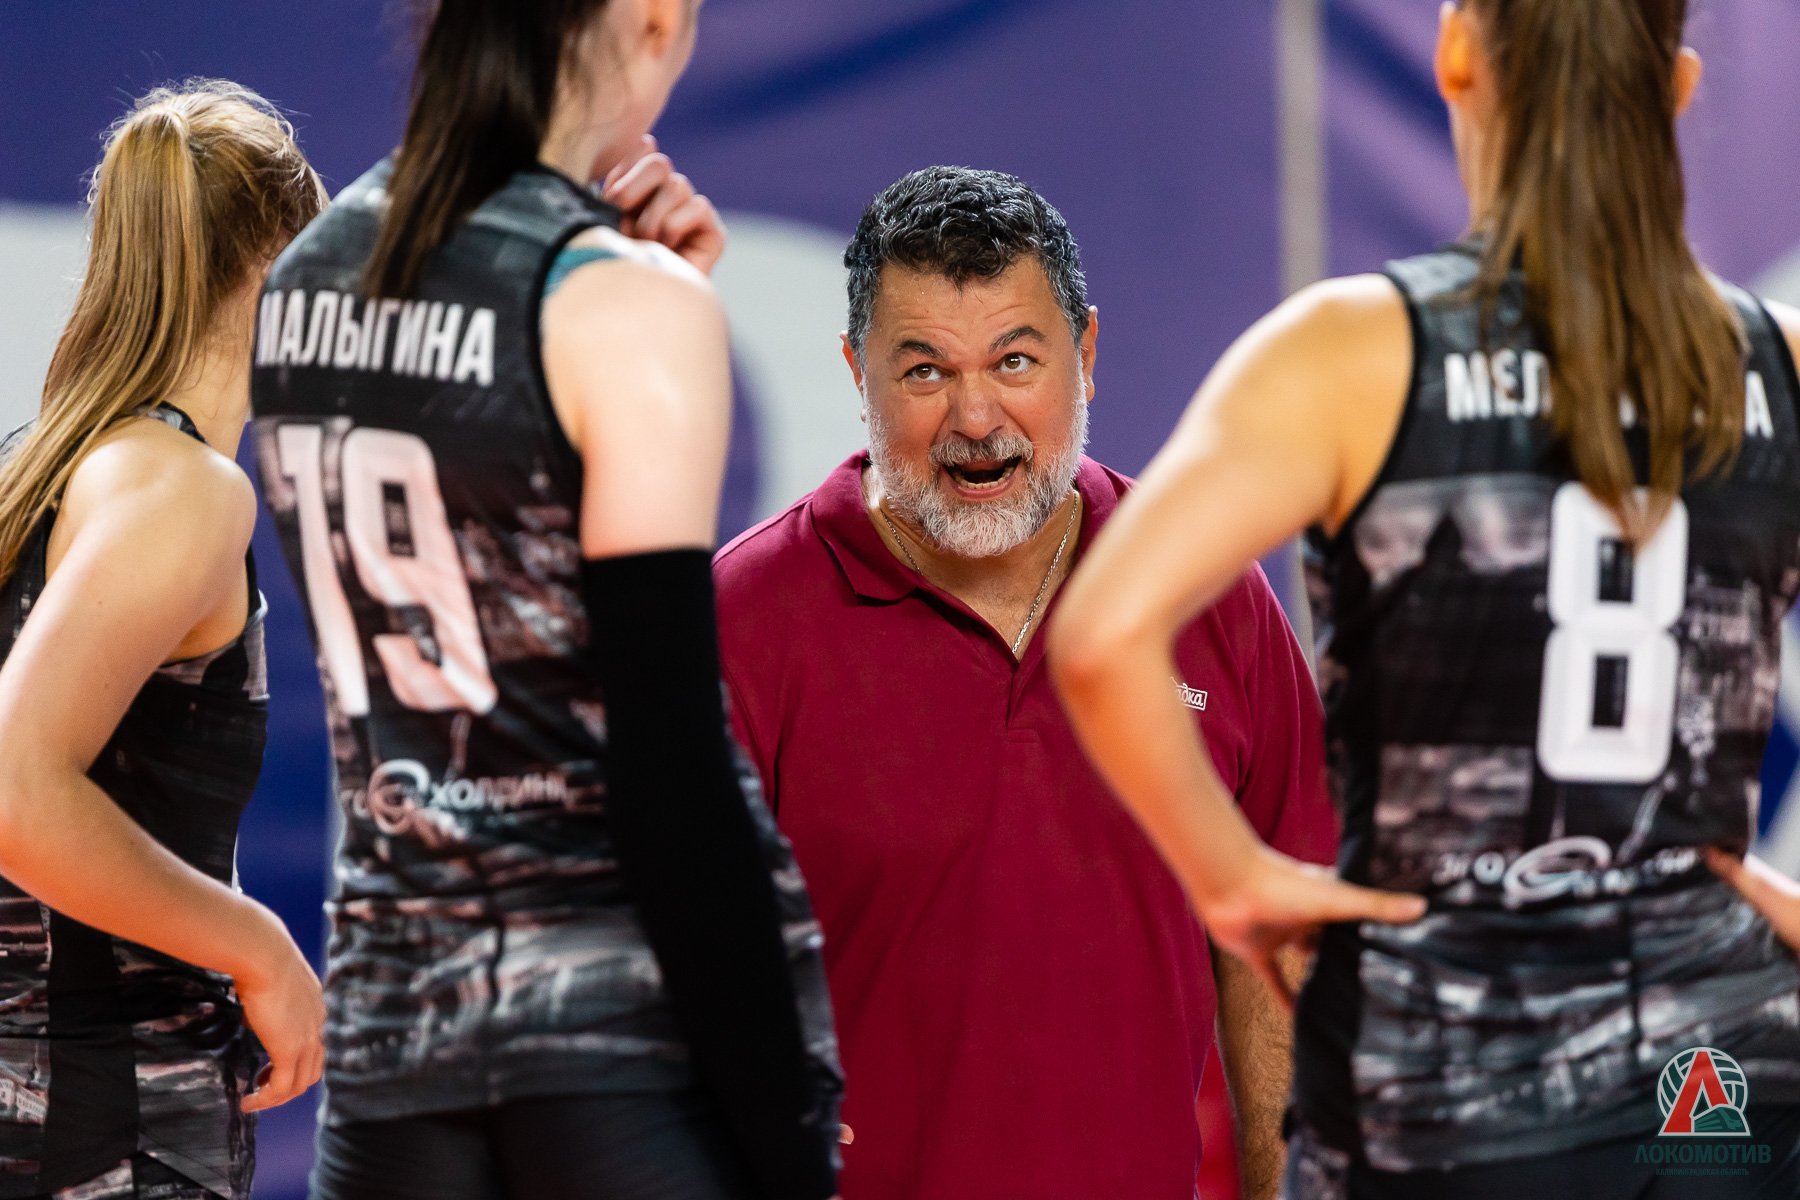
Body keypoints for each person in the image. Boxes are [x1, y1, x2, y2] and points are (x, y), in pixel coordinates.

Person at [1051, 1, 1800, 1197]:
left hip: (1436, 1082)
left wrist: (1233, 883)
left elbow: (1100, 635)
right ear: (1678, 89)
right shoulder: (1780, 362)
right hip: (1719, 1074)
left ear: (1456, 55)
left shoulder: (1357, 349)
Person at [249, 2, 842, 1198]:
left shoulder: (306, 276)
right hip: (615, 1058)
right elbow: (667, 766)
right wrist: (787, 1131)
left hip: (393, 1049)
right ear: (654, 19)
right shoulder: (619, 300)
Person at [713, 165, 1337, 1200]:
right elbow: (673, 987)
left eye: (1015, 361)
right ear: (856, 372)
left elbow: (1282, 963)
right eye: (924, 371)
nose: (976, 418)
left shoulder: (1209, 595)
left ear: (1085, 357)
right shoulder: (739, 619)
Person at [0, 82, 327, 1200]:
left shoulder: (36, 474)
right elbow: (14, 789)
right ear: (280, 272)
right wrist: (257, 946)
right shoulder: (186, 489)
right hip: (103, 1128)